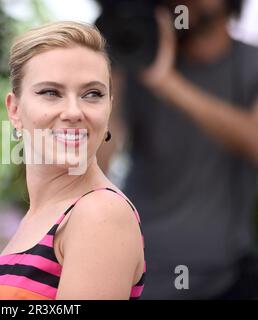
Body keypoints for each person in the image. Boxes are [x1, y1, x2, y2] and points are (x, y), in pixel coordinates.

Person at [0, 21, 145, 300]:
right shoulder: (40, 218)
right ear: (14, 110)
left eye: (92, 94)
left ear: (109, 107)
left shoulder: (100, 213)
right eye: (51, 92)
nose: (74, 112)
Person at [97, 0, 258, 299]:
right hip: (141, 275)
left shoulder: (251, 63)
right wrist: (109, 76)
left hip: (227, 280)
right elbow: (95, 168)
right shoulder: (135, 66)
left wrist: (165, 81)